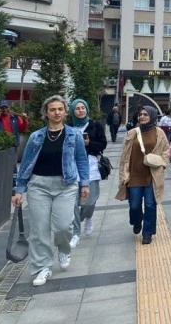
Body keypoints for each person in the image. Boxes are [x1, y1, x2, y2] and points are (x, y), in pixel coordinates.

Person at [11, 95, 89, 287]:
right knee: (39, 229)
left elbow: (81, 159)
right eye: (52, 109)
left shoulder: (74, 135)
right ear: (46, 112)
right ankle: (42, 267)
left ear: (65, 112)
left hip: (66, 185)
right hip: (38, 186)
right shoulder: (36, 136)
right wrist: (19, 189)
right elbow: (26, 163)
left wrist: (84, 183)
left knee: (63, 226)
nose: (56, 112)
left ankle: (63, 248)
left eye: (60, 109)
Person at [115, 106, 169, 245]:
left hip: (152, 175)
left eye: (146, 114)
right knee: (134, 205)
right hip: (134, 175)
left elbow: (166, 151)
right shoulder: (132, 133)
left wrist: (163, 164)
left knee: (151, 205)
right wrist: (123, 174)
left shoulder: (159, 132)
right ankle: (137, 221)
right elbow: (124, 155)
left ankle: (147, 233)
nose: (142, 116)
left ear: (152, 116)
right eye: (140, 114)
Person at [67, 99, 108, 248]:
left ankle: (88, 216)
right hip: (72, 167)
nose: (80, 110)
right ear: (72, 111)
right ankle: (76, 233)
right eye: (77, 108)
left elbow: (103, 144)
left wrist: (89, 144)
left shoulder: (95, 125)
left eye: (82, 108)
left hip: (90, 166)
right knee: (74, 203)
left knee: (89, 201)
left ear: (87, 109)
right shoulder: (68, 127)